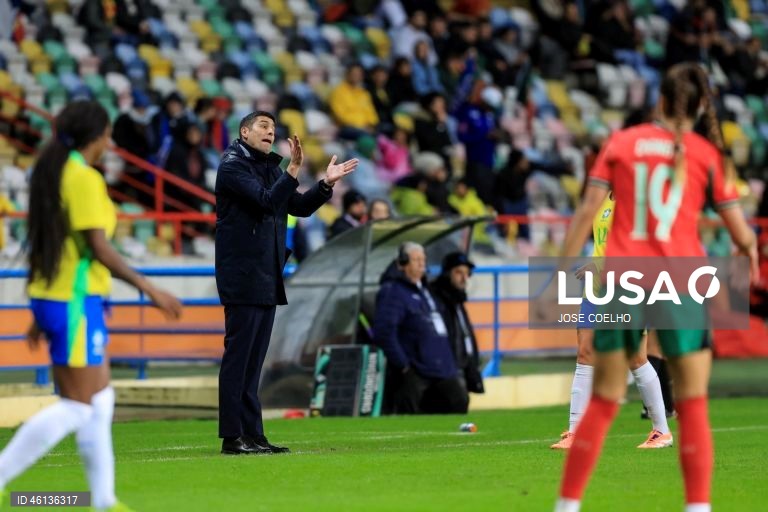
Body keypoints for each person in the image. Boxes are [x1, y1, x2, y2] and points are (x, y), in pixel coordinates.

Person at [549, 63, 758, 512]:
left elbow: (587, 209)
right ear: (701, 106)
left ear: (659, 102)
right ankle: (697, 506)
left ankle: (567, 505)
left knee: (606, 397)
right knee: (695, 400)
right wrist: (749, 254)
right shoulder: (705, 152)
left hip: (625, 278)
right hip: (680, 280)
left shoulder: (622, 144)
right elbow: (740, 231)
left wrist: (564, 263)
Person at [0, 100, 182, 511]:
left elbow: (46, 245)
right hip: (75, 302)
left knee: (99, 402)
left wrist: (38, 309)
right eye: (108, 133)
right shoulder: (82, 178)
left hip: (61, 297)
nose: (111, 141)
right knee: (78, 408)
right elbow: (98, 247)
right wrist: (149, 289)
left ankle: (102, 500)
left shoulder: (53, 173)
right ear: (96, 136)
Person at [215, 111, 358, 455]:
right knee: (239, 358)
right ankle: (232, 437)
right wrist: (293, 170)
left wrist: (325, 184)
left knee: (254, 362)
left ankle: (254, 435)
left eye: (273, 128)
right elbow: (266, 201)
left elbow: (298, 207)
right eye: (263, 126)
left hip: (266, 274)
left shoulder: (269, 168)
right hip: (243, 275)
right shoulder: (232, 165)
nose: (270, 131)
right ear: (245, 131)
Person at [550, 191, 672, 450]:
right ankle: (575, 432)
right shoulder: (603, 199)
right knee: (585, 351)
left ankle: (662, 431)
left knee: (637, 357)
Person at [373, 242, 468, 414]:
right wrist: (403, 364)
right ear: (402, 263)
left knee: (458, 400)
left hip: (441, 367)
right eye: (416, 260)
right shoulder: (393, 292)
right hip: (415, 368)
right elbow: (384, 331)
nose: (421, 264)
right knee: (409, 412)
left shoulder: (426, 290)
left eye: (423, 259)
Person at [430, 252, 484, 408]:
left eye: (467, 273)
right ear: (447, 273)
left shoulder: (457, 301)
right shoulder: (437, 300)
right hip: (445, 372)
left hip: (459, 370)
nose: (464, 278)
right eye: (458, 272)